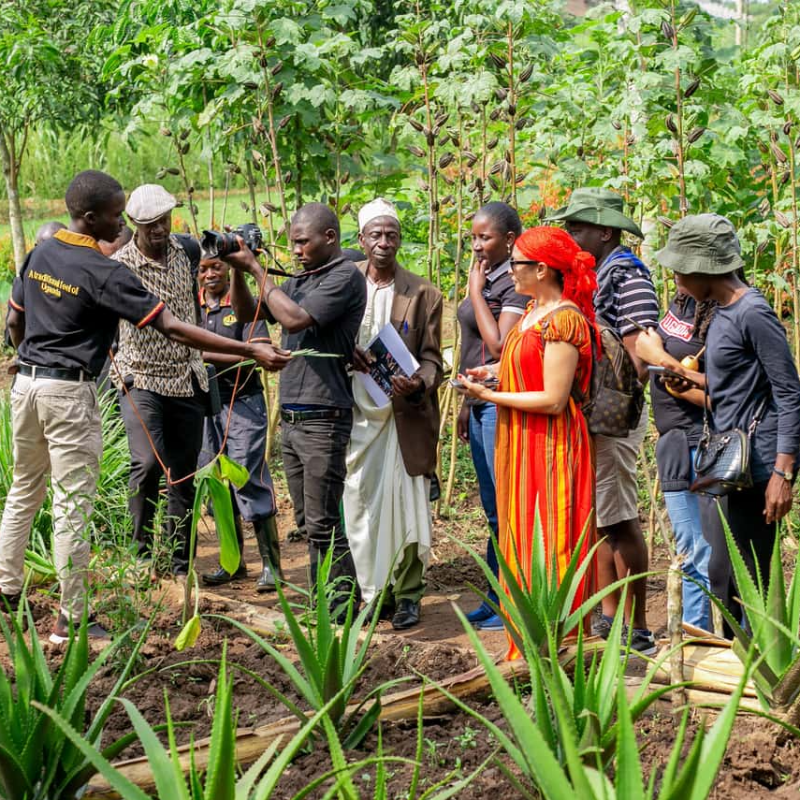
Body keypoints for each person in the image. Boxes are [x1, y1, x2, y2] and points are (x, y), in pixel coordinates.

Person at [0, 170, 289, 642]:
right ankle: (71, 620)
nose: (121, 225)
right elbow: (172, 327)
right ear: (91, 218)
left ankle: (7, 592)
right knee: (73, 502)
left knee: (24, 492)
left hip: (27, 386)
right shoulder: (103, 270)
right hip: (69, 393)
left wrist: (30, 355)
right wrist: (248, 349)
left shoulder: (42, 251)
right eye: (118, 216)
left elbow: (17, 320)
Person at [653, 214, 800, 625]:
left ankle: (770, 676)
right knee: (725, 576)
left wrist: (782, 474)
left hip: (757, 466)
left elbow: (789, 392)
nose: (678, 280)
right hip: (729, 464)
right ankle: (749, 671)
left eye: (681, 270)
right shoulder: (720, 312)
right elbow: (734, 385)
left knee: (751, 579)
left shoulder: (753, 312)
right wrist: (687, 378)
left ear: (705, 268)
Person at [458, 226, 597, 660]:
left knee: (551, 535)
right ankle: (527, 645)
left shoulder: (564, 319)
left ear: (541, 268)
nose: (509, 271)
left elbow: (554, 400)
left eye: (516, 263)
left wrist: (490, 396)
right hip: (521, 441)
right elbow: (528, 366)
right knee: (520, 533)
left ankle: (560, 649)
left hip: (550, 445)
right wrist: (494, 373)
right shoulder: (536, 310)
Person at [224, 203, 366, 612]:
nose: (297, 250)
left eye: (303, 242)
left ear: (330, 238)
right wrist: (237, 267)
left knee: (324, 522)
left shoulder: (343, 278)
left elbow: (294, 321)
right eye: (293, 243)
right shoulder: (305, 278)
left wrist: (255, 267)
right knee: (307, 523)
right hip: (293, 416)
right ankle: (326, 602)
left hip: (324, 416)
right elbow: (247, 312)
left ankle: (339, 609)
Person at [548, 187, 658, 654]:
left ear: (605, 231)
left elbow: (640, 352)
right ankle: (610, 619)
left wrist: (613, 402)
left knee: (619, 518)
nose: (571, 236)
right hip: (597, 411)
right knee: (600, 517)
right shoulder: (600, 272)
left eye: (578, 228)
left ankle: (638, 625)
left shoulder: (627, 274)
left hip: (613, 412)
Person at [343, 199, 443, 630]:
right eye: (376, 235)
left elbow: (433, 359)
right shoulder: (344, 287)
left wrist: (418, 381)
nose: (384, 242)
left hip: (403, 415)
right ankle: (372, 592)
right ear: (362, 240)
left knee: (405, 505)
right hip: (354, 413)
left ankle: (407, 595)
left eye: (392, 235)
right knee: (359, 503)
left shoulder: (423, 293)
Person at [112, 185, 210, 577]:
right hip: (142, 377)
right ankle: (139, 557)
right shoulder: (120, 265)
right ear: (135, 224)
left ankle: (179, 563)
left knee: (183, 474)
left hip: (187, 376)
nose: (160, 229)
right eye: (151, 224)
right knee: (148, 464)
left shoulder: (185, 251)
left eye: (165, 220)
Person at [456, 202, 528, 631]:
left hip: (501, 403)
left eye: (485, 238)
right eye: (474, 238)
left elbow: (499, 344)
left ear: (509, 239)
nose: (478, 246)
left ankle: (511, 602)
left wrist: (475, 295)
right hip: (479, 401)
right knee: (492, 509)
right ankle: (495, 595)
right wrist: (467, 404)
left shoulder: (513, 282)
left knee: (506, 506)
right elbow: (472, 350)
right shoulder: (488, 275)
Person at [196, 256, 282, 591]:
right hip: (205, 406)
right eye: (202, 269)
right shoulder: (195, 308)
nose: (210, 274)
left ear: (229, 269)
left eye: (216, 266)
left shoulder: (241, 303)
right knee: (216, 482)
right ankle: (232, 563)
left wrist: (202, 353)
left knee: (248, 476)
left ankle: (272, 567)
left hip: (243, 403)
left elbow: (258, 350)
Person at [634, 292, 718, 630]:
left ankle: (707, 633)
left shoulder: (724, 314)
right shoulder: (682, 302)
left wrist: (659, 357)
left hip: (703, 444)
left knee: (703, 549)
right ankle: (694, 631)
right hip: (673, 444)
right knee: (688, 550)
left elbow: (735, 396)